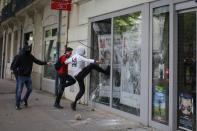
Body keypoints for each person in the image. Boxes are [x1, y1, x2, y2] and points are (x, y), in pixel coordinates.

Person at [65, 46, 110, 111]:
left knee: (82, 90)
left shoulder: (73, 57)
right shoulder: (79, 57)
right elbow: (88, 60)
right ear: (81, 51)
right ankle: (106, 72)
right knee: (92, 65)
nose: (84, 53)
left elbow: (66, 62)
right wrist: (98, 62)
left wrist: (68, 57)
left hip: (76, 76)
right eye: (83, 51)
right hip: (80, 74)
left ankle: (74, 103)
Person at [12, 44, 51, 110]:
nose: (28, 50)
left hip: (28, 76)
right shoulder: (19, 57)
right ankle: (17, 105)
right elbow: (13, 67)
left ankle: (24, 99)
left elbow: (37, 61)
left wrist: (46, 63)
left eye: (29, 49)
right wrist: (17, 75)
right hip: (21, 76)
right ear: (24, 50)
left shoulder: (30, 56)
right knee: (19, 91)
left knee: (30, 89)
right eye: (27, 49)